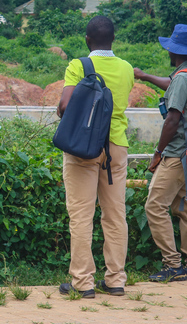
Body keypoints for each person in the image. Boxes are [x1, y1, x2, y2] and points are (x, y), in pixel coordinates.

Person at [57, 16, 134, 298]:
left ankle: (83, 283)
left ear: (87, 40)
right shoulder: (127, 69)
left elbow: (65, 105)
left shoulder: (79, 65)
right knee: (115, 215)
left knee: (81, 214)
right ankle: (115, 280)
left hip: (83, 146)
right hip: (116, 147)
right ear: (113, 39)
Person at [134, 24, 187, 282]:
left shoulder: (182, 78)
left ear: (174, 51)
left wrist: (158, 152)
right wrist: (145, 77)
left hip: (176, 154)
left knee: (154, 206)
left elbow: (172, 119)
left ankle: (172, 265)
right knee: (186, 208)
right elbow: (171, 83)